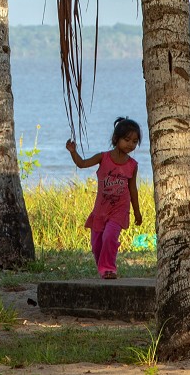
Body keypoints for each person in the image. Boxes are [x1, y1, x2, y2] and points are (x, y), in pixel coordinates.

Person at [66, 117, 144, 279]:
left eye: (135, 142)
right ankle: (102, 267)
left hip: (119, 210)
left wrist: (137, 212)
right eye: (127, 140)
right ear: (116, 139)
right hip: (101, 210)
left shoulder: (132, 165)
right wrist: (73, 152)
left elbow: (133, 190)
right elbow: (82, 164)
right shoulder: (103, 158)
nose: (130, 145)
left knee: (110, 236)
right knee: (96, 245)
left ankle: (109, 269)